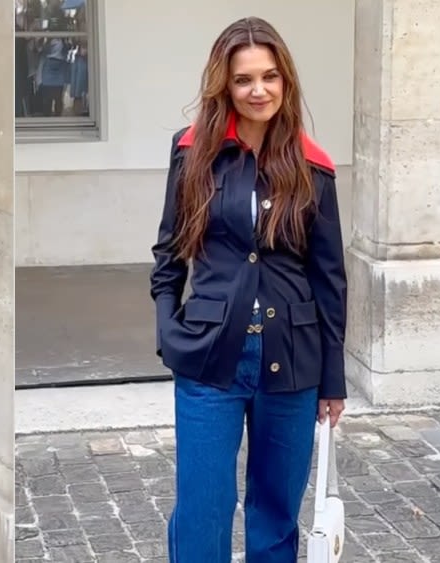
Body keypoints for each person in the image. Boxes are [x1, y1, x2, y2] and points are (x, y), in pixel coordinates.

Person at [149, 16, 347, 563]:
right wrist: (170, 330)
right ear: (225, 86)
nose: (258, 90)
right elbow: (168, 254)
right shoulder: (192, 153)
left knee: (275, 515)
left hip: (292, 361)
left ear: (286, 82)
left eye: (270, 76)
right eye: (244, 79)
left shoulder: (314, 167)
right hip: (211, 356)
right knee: (202, 513)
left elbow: (330, 279)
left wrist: (333, 380)